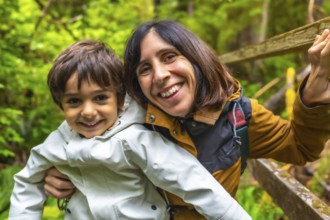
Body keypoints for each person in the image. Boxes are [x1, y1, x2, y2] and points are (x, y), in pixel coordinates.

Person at [44, 20, 330, 219]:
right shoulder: (125, 118)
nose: (160, 75)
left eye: (169, 56)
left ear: (196, 58)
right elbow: (76, 135)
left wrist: (314, 93)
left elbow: (300, 147)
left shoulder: (240, 116)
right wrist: (62, 171)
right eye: (145, 68)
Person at [9, 39, 251, 220]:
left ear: (119, 98)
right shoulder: (56, 143)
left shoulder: (135, 139)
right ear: (60, 105)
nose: (88, 111)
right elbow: (27, 182)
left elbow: (189, 179)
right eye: (74, 101)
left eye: (100, 98)